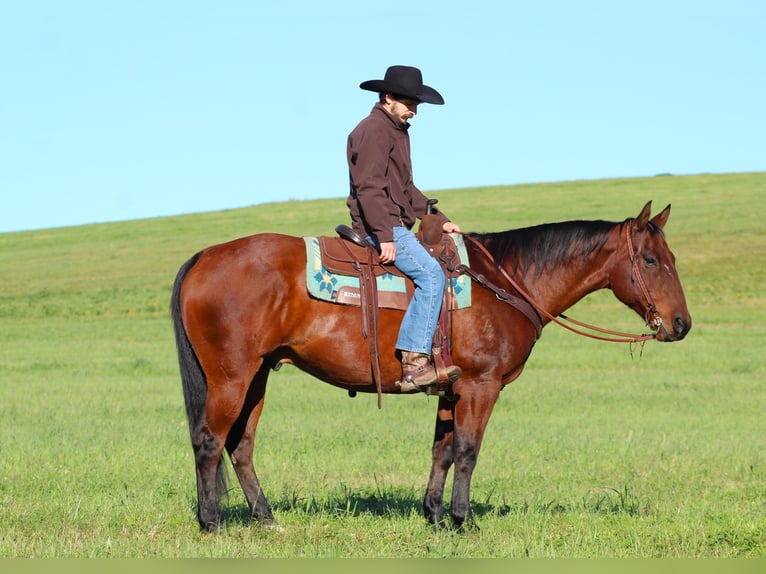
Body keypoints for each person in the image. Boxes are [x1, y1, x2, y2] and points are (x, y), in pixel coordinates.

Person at [346, 65, 462, 391]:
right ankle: (414, 364)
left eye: (417, 104)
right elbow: (369, 188)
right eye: (409, 103)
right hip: (380, 225)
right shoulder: (373, 131)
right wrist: (384, 236)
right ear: (388, 97)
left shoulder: (396, 131)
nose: (414, 110)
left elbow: (406, 190)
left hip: (392, 222)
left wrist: (438, 218)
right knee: (431, 275)